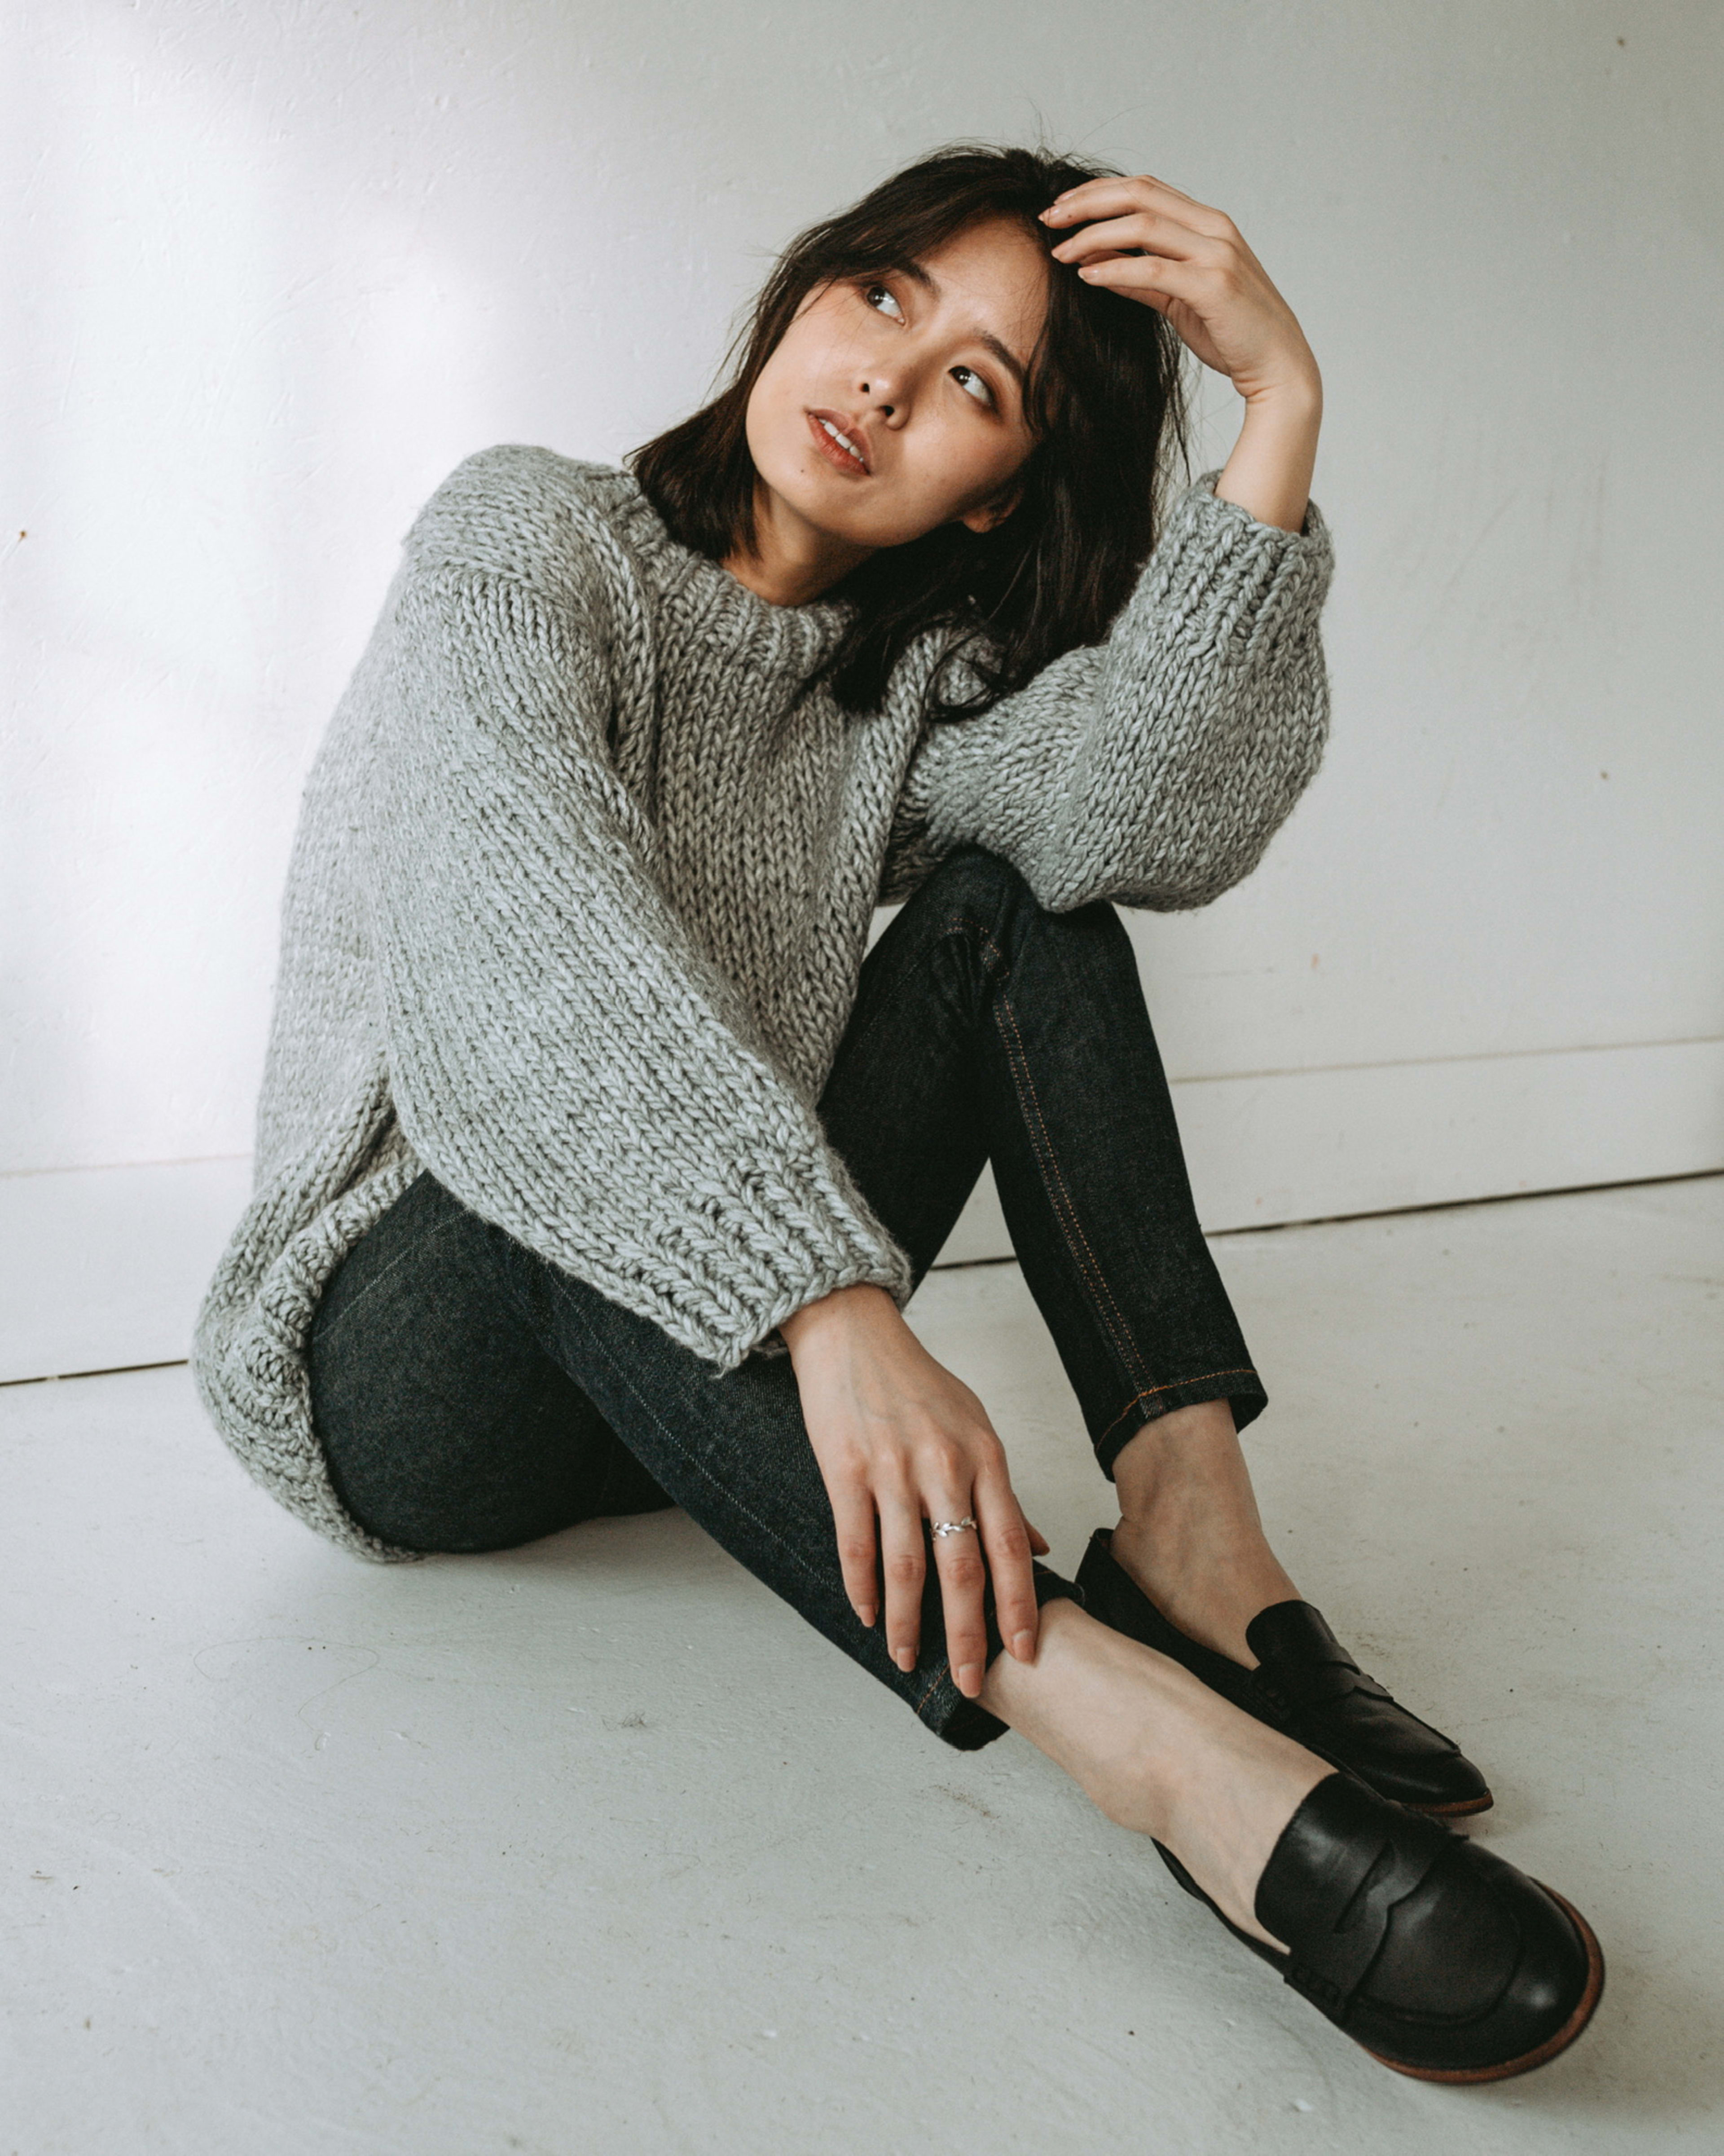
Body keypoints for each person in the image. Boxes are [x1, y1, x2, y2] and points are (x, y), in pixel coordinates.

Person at [194, 144, 1602, 2080]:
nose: (884, 375)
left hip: (695, 1376)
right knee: (540, 1156)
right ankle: (1142, 1734)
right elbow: (536, 939)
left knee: (1022, 897)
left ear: (1000, 484)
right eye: (881, 297)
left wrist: (1279, 407)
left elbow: (1140, 811)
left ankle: (1194, 1531)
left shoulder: (902, 699)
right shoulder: (524, 537)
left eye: (975, 381)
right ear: (799, 295)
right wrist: (834, 1307)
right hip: (412, 1351)